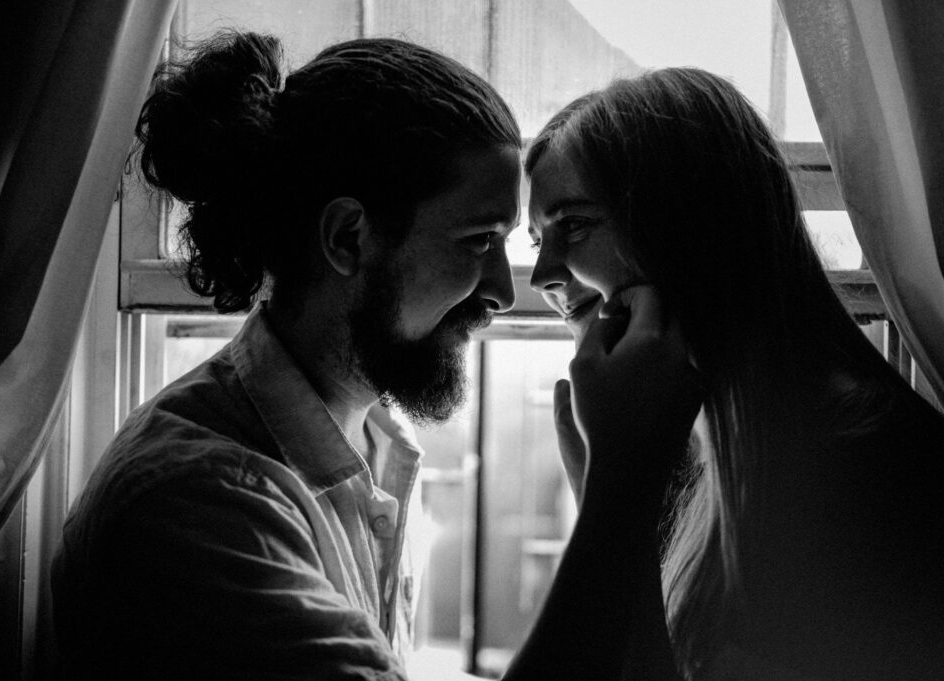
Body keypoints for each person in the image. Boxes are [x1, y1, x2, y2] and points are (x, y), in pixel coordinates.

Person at [51, 31, 686, 681]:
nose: (500, 290)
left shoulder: (375, 442)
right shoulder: (200, 506)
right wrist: (620, 483)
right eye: (477, 241)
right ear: (348, 237)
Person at [526, 68, 944, 680]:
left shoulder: (857, 457)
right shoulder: (695, 452)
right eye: (536, 241)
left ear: (686, 226)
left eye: (574, 225)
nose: (543, 275)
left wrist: (615, 487)